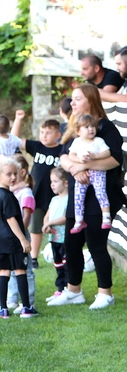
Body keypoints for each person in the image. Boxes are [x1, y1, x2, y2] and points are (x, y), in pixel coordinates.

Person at [49, 84, 124, 310]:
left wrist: (86, 165)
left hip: (99, 198)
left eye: (77, 99)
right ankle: (74, 291)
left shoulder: (105, 128)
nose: (72, 103)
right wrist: (74, 169)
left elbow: (115, 159)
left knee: (95, 244)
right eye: (72, 99)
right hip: (77, 195)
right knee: (72, 245)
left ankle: (105, 293)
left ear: (90, 100)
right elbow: (62, 156)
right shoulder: (74, 127)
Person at [12, 113, 61, 267]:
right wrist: (18, 120)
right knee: (36, 228)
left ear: (58, 135)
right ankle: (33, 258)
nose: (44, 135)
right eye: (42, 132)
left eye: (49, 132)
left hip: (56, 196)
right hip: (38, 195)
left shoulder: (62, 150)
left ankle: (59, 255)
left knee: (56, 228)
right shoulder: (37, 147)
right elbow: (14, 140)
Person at [63, 114, 112, 232]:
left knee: (101, 193)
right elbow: (71, 155)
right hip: (82, 173)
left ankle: (106, 217)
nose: (91, 129)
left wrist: (95, 156)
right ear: (78, 131)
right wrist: (79, 160)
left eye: (93, 126)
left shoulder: (98, 141)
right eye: (86, 127)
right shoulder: (77, 142)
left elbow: (107, 153)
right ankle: (79, 220)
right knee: (78, 196)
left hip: (97, 172)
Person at [0, 157, 34, 319]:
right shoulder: (7, 196)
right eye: (8, 174)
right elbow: (11, 219)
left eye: (15, 173)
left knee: (4, 272)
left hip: (1, 242)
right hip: (13, 240)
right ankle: (26, 308)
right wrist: (23, 239)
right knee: (20, 270)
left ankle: (3, 309)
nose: (13, 177)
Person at [41, 167, 69, 301]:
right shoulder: (54, 200)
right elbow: (47, 216)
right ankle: (60, 288)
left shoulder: (69, 199)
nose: (52, 185)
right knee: (57, 263)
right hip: (54, 238)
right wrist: (46, 224)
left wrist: (50, 223)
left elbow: (66, 217)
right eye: (51, 181)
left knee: (66, 263)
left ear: (66, 182)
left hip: (65, 238)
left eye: (55, 181)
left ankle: (68, 287)